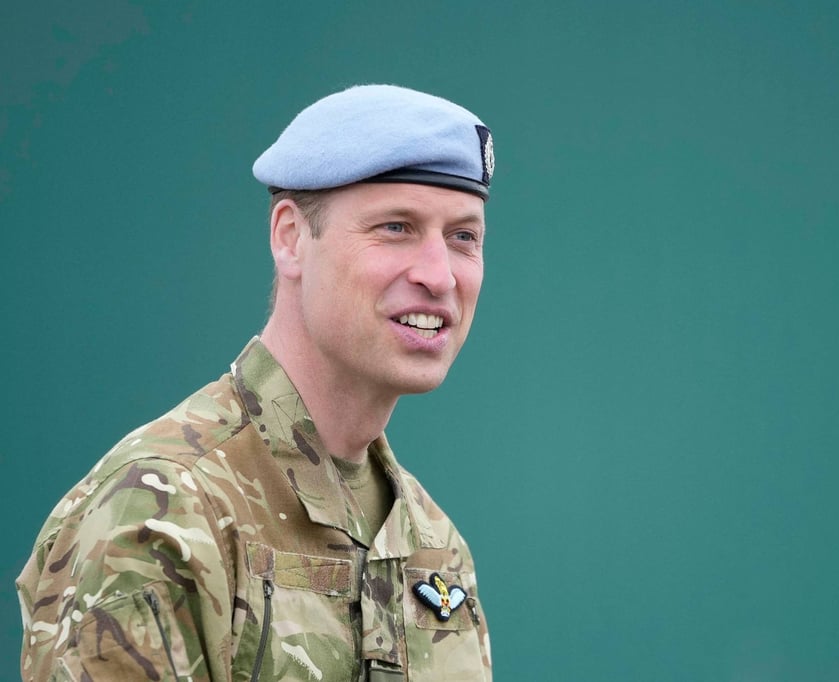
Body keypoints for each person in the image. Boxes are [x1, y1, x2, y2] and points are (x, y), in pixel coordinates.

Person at [17, 84, 496, 682]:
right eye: (396, 227)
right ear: (291, 237)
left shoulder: (431, 544)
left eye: (464, 237)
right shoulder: (162, 510)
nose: (439, 274)